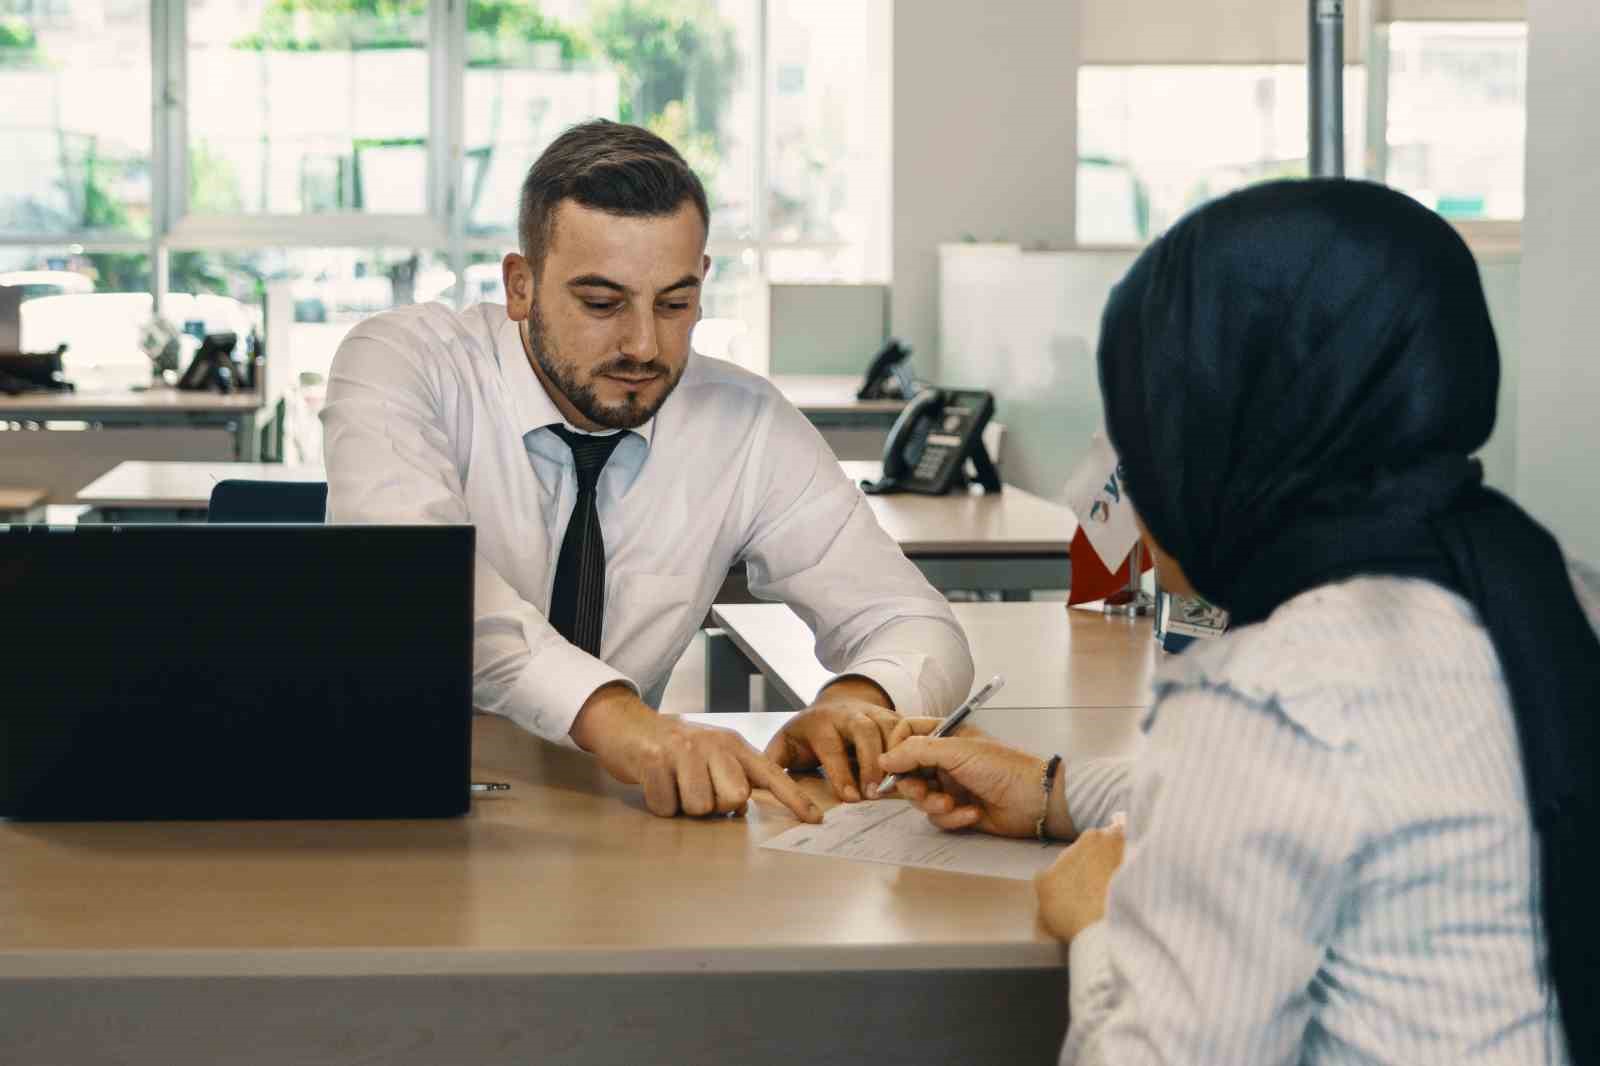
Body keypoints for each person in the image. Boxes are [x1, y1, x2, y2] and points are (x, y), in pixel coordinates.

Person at [878, 179, 1600, 1064]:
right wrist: (1049, 791)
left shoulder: (1271, 692)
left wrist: (1103, 924)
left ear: (1219, 447)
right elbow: (1340, 807)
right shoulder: (1544, 593)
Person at [322, 120, 974, 822]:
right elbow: (420, 592)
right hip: (389, 801)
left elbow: (916, 624)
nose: (643, 344)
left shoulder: (744, 423)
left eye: (674, 304)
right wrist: (621, 718)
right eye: (601, 304)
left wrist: (859, 702)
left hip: (611, 819)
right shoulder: (403, 363)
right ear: (520, 286)